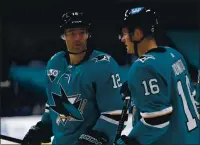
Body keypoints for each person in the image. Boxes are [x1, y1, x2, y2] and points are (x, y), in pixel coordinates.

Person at [22, 11, 125, 145]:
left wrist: (95, 138)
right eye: (72, 33)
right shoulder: (55, 63)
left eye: (82, 32)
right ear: (63, 35)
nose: (77, 38)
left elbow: (115, 113)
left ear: (88, 34)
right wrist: (42, 129)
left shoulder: (104, 64)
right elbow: (53, 106)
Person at [116, 7, 200, 145]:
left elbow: (156, 121)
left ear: (137, 34)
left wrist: (127, 142)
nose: (123, 39)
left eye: (124, 34)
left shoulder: (143, 67)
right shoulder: (173, 54)